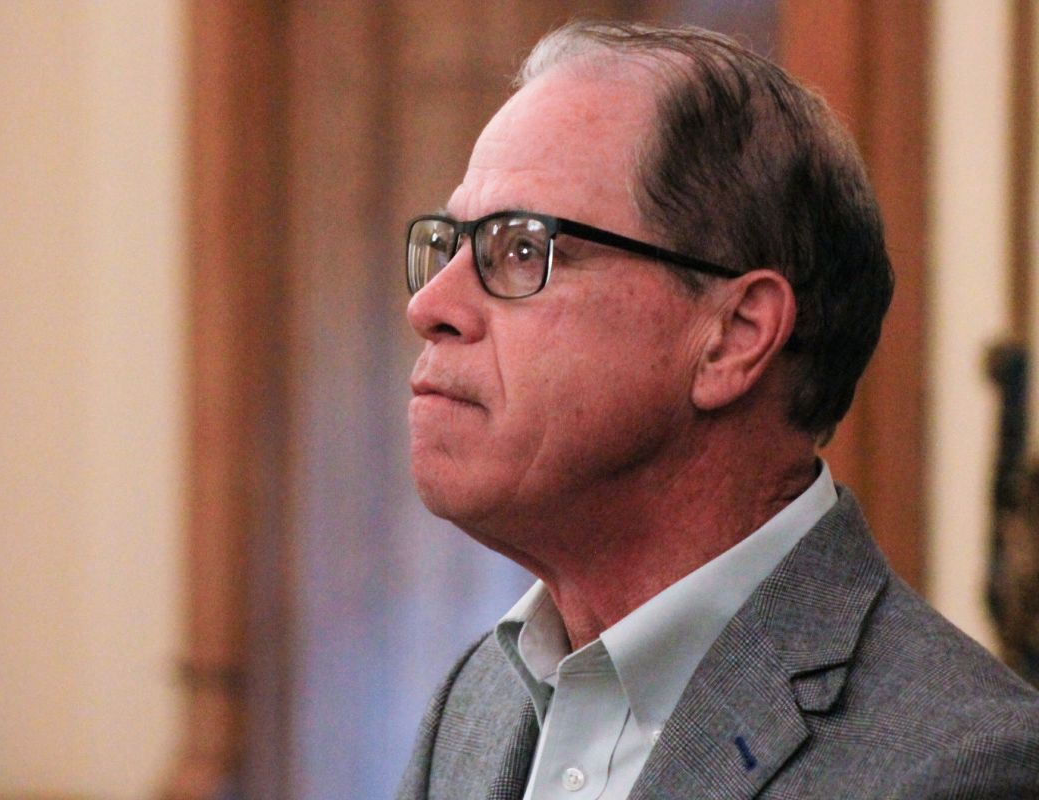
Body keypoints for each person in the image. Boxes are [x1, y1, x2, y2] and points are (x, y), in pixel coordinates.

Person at [396, 20, 1039, 800]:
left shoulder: (967, 767)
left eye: (523, 249)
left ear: (733, 337)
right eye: (453, 245)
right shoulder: (473, 705)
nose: (431, 305)